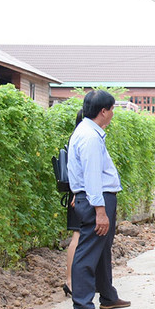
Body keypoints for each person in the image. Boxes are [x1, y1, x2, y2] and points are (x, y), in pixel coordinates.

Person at [67, 91, 130, 309]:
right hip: (97, 199)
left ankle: (108, 296)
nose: (113, 114)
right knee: (88, 250)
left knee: (103, 249)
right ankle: (82, 305)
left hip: (96, 197)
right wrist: (100, 210)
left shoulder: (87, 132)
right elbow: (92, 176)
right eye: (112, 109)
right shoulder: (90, 137)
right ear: (103, 111)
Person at [62, 110, 84, 297]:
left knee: (78, 237)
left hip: (77, 193)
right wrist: (77, 193)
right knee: (77, 237)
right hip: (78, 195)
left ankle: (73, 280)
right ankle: (69, 281)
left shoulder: (76, 138)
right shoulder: (81, 139)